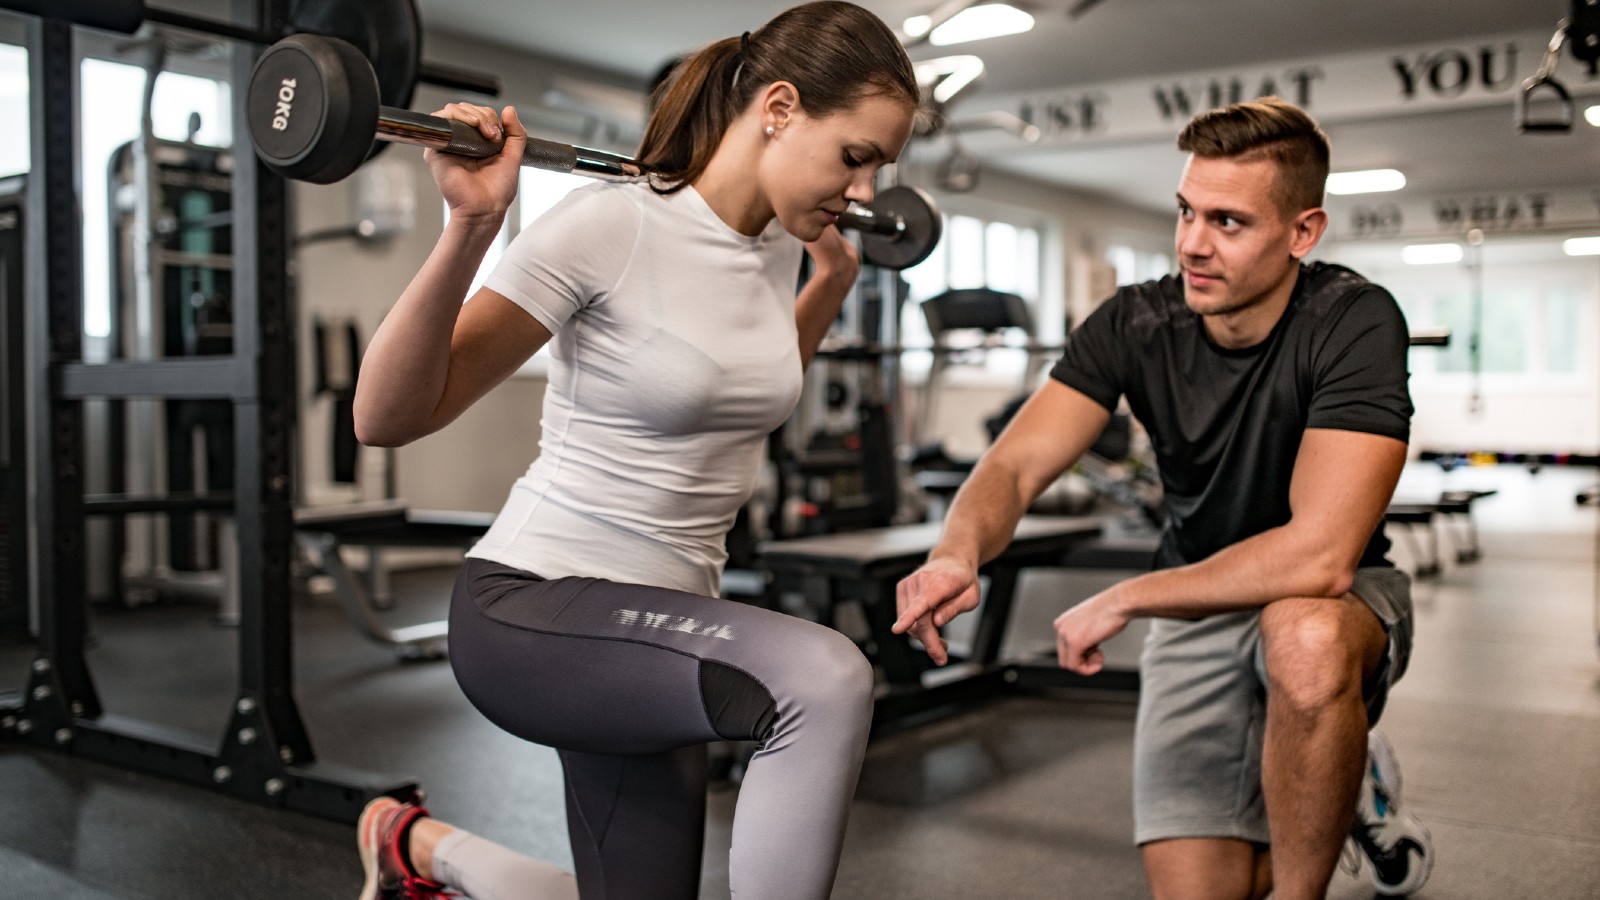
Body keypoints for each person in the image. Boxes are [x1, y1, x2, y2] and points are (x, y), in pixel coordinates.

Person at [348, 4, 919, 898]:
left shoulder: (776, 243)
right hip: (536, 607)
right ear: (778, 107)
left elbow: (738, 390)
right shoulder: (608, 225)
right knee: (825, 677)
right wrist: (470, 226)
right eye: (856, 157)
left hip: (659, 631)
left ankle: (417, 848)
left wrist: (832, 279)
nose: (865, 193)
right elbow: (386, 417)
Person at [892, 97, 1434, 900]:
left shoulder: (1351, 321)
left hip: (1339, 596)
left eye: (1228, 222)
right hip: (1200, 601)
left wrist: (1128, 597)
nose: (1191, 244)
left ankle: (1313, 840)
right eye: (1185, 211)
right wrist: (954, 552)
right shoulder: (1135, 323)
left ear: (1302, 233)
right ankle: (1333, 784)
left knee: (1306, 639)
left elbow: (1320, 557)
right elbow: (1012, 468)